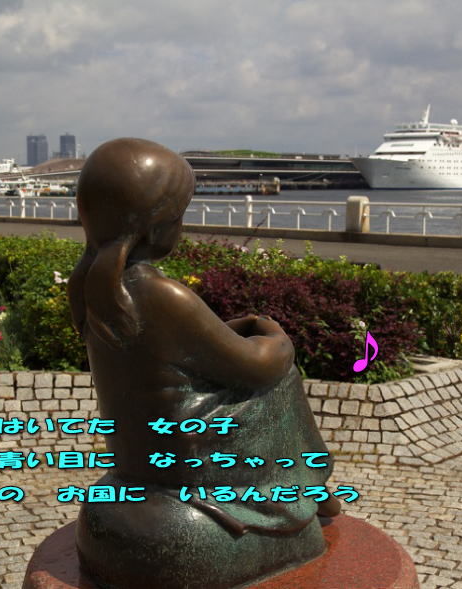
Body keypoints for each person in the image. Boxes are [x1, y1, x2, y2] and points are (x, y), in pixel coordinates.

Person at [68, 138, 337, 589]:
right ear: (154, 227)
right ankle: (305, 492)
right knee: (279, 382)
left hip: (137, 459)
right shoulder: (161, 293)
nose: (181, 226)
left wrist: (231, 330)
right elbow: (256, 365)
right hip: (187, 463)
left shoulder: (93, 289)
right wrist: (277, 339)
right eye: (178, 217)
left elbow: (172, 350)